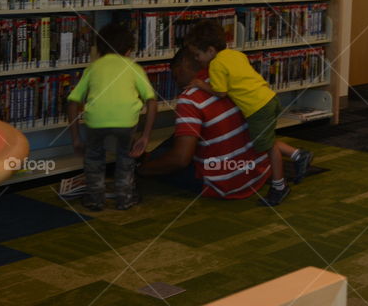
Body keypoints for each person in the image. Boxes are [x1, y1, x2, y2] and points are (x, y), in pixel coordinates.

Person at [185, 20, 312, 206]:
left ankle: (279, 186)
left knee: (268, 147)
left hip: (257, 108)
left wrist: (200, 84)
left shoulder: (216, 65)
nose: (197, 59)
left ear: (211, 51)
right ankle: (298, 155)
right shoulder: (235, 54)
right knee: (265, 138)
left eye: (197, 55)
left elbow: (221, 92)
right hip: (269, 98)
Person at [137, 48, 273, 199]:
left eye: (174, 75)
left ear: (183, 65)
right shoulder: (227, 79)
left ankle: (141, 164)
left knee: (163, 158)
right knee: (176, 139)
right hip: (258, 171)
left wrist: (144, 170)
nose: (175, 82)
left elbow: (180, 160)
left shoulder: (190, 98)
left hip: (225, 183)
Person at [67, 23, 157, 211]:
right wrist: (146, 136)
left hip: (96, 120)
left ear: (99, 48)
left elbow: (73, 102)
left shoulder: (93, 68)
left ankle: (94, 198)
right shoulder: (134, 68)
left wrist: (75, 138)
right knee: (126, 156)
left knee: (93, 157)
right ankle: (125, 198)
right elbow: (151, 101)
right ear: (130, 49)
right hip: (126, 121)